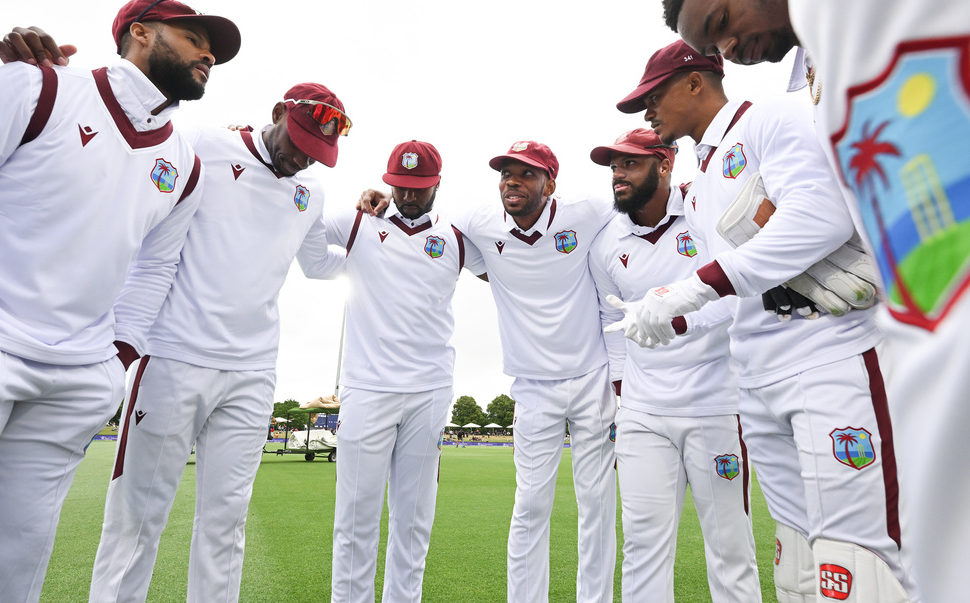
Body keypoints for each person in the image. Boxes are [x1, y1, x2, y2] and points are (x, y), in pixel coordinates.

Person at [662, 0, 970, 600]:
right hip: (889, 317)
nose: (727, 51)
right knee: (806, 562)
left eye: (721, 24)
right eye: (713, 46)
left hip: (908, 319)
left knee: (877, 553)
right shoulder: (798, 79)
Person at [606, 40, 919, 601]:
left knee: (858, 554)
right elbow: (731, 295)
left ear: (696, 82)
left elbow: (819, 217)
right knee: (796, 558)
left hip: (829, 354)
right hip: (755, 373)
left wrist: (691, 288)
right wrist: (670, 319)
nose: (647, 112)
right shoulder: (698, 189)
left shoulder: (774, 117)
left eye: (653, 96)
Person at [0, 0, 239, 603]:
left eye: (213, 48)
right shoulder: (35, 88)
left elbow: (154, 269)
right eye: (193, 37)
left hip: (74, 376)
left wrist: (116, 358)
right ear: (139, 32)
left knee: (15, 562)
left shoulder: (184, 162)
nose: (208, 53)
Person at [86, 81, 348, 603]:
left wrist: (376, 229)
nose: (301, 159)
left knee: (226, 524)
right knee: (137, 518)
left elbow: (320, 265)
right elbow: (132, 188)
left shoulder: (310, 193)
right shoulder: (203, 143)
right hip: (173, 357)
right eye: (297, 142)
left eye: (317, 154)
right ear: (277, 113)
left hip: (252, 371)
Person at [304, 140, 484, 603]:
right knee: (356, 518)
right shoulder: (360, 221)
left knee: (413, 520)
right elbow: (304, 237)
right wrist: (351, 205)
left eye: (418, 189)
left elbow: (515, 268)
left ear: (437, 185)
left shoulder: (457, 238)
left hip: (429, 391)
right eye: (399, 186)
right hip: (367, 389)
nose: (407, 197)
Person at [588, 128, 760, 602]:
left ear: (665, 164)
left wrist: (678, 321)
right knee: (643, 545)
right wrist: (624, 398)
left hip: (714, 406)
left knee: (729, 546)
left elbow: (738, 291)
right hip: (644, 415)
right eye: (614, 167)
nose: (618, 176)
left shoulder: (704, 213)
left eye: (630, 165)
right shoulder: (606, 243)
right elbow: (612, 325)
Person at [452, 142, 617, 603]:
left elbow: (640, 204)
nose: (512, 182)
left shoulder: (587, 212)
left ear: (550, 183)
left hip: (592, 379)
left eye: (526, 174)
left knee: (596, 506)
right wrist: (379, 204)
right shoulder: (480, 223)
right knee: (529, 506)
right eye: (506, 173)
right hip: (532, 386)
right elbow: (428, 223)